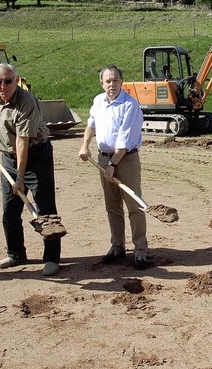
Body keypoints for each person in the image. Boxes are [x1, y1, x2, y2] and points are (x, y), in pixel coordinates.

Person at [0, 63, 61, 276]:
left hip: (36, 156)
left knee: (45, 209)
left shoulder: (27, 102)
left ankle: (52, 259)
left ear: (16, 81)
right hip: (8, 157)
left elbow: (22, 142)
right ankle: (16, 253)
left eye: (8, 81)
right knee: (10, 209)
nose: (3, 86)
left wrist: (19, 178)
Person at [78, 65, 149, 270]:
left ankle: (140, 251)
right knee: (112, 206)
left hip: (126, 160)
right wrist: (85, 145)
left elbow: (124, 140)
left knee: (135, 206)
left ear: (121, 82)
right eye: (108, 81)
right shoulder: (98, 101)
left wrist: (112, 165)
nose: (112, 84)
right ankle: (117, 247)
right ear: (102, 83)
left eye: (116, 80)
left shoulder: (130, 105)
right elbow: (91, 125)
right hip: (103, 159)